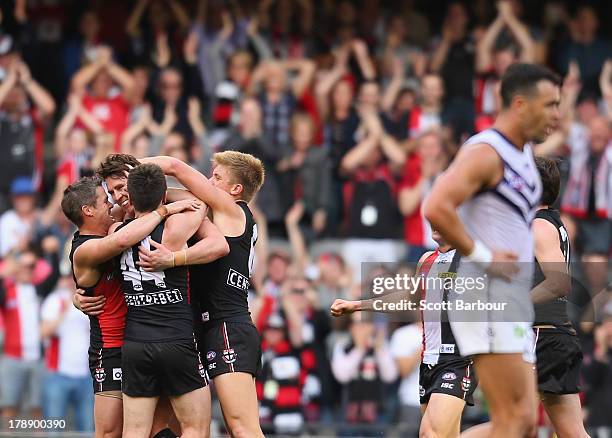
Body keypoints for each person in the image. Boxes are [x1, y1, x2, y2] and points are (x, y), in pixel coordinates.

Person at [423, 63, 560, 438]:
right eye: (550, 104)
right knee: (514, 422)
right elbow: (436, 206)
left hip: (507, 298)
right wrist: (484, 257)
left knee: (522, 425)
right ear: (520, 104)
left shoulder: (523, 158)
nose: (557, 115)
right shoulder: (487, 151)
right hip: (484, 294)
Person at [138, 151, 265, 437]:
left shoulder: (234, 210)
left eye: (216, 178)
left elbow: (173, 166)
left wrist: (128, 167)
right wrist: (137, 189)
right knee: (165, 424)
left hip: (226, 324)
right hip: (198, 326)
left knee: (242, 427)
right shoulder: (216, 211)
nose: (208, 181)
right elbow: (168, 194)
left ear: (236, 190)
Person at [61, 175, 199, 438]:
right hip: (110, 348)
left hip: (142, 341)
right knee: (110, 432)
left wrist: (158, 193)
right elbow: (121, 242)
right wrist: (164, 208)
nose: (112, 203)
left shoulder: (120, 228)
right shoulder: (84, 249)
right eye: (105, 201)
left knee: (158, 428)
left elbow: (194, 200)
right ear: (88, 211)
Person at [330, 230, 478, 437]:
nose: (433, 222)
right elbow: (409, 299)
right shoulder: (427, 259)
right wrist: (357, 305)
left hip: (458, 360)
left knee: (429, 433)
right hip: (428, 362)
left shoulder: (471, 259)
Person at [116, 164, 210, 438]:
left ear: (130, 200)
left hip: (135, 343)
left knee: (134, 431)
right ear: (164, 195)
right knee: (195, 428)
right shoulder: (174, 230)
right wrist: (170, 202)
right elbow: (201, 200)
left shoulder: (117, 233)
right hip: (176, 340)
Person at [530, 157, 589, 436]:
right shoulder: (552, 222)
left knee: (512, 423)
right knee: (574, 434)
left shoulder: (538, 226)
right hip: (556, 335)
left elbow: (558, 283)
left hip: (540, 338)